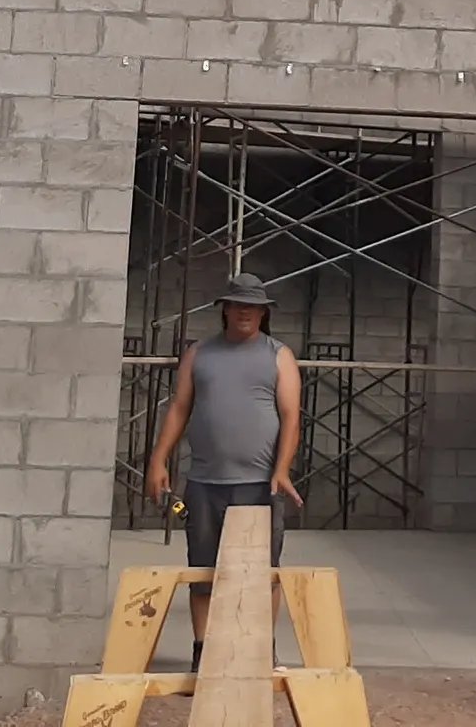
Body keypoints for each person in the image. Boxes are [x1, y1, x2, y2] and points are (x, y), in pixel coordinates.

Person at [143, 277, 303, 667]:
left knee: (263, 570)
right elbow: (180, 407)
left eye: (253, 306)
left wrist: (281, 470)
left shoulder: (278, 355)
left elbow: (291, 416)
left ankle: (261, 651)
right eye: (237, 305)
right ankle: (203, 650)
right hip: (204, 483)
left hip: (258, 484)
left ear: (263, 312)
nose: (245, 311)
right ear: (225, 309)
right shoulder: (200, 354)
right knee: (203, 569)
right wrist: (158, 460)